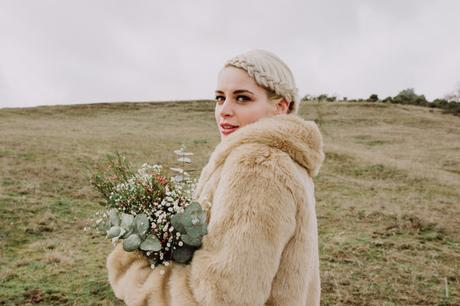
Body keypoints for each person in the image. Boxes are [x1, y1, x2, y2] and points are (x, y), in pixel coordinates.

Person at [106, 49, 325, 306]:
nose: (224, 110)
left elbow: (219, 297)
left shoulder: (258, 166)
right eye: (220, 98)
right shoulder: (285, 159)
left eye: (242, 98)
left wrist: (134, 272)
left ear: (280, 107)